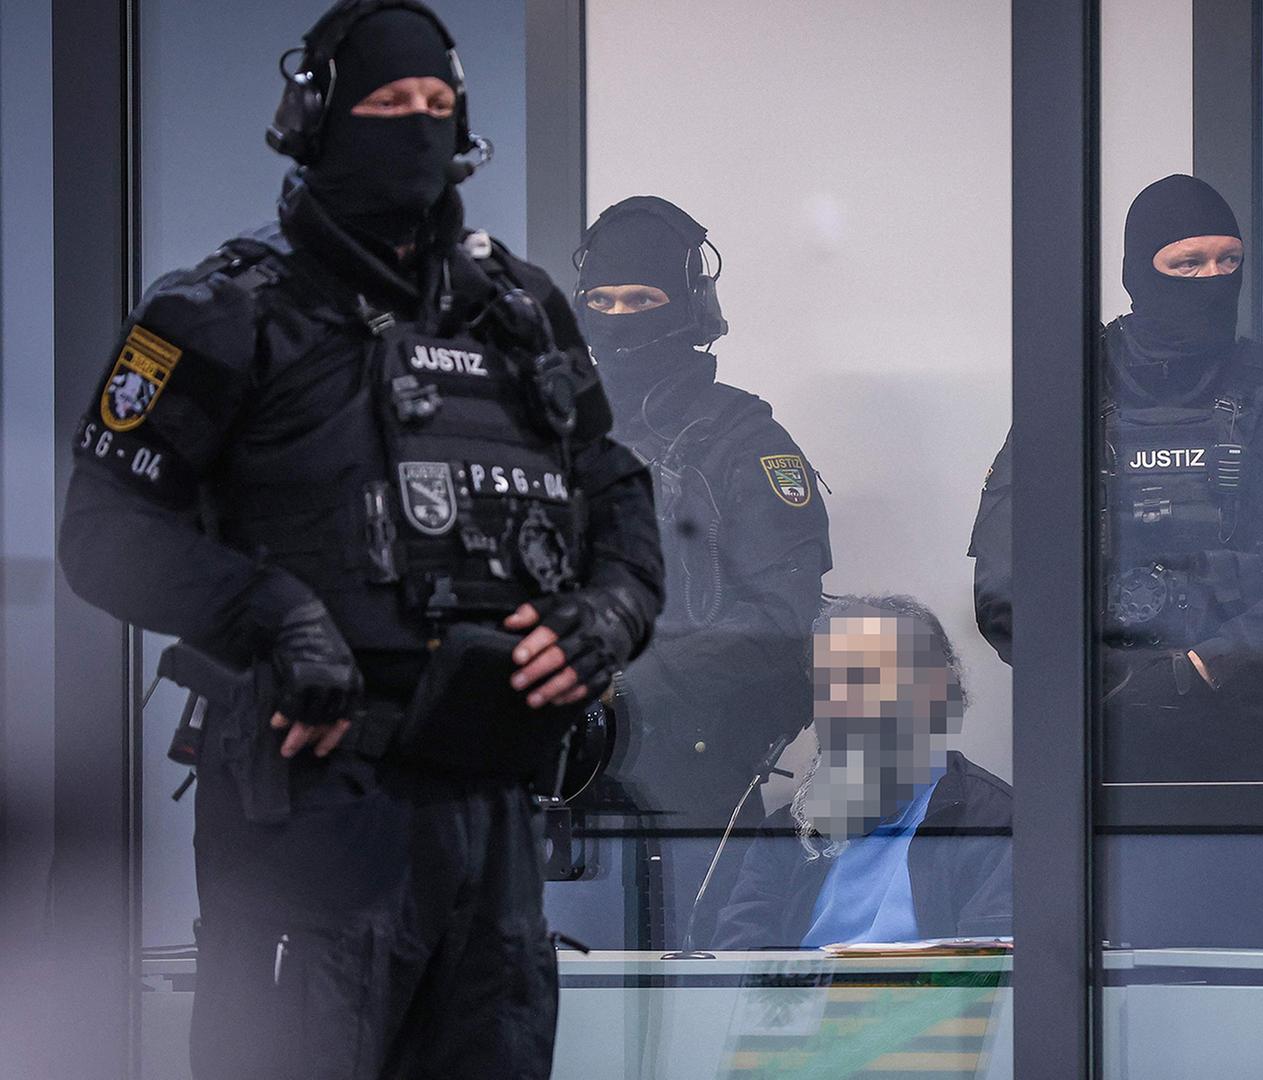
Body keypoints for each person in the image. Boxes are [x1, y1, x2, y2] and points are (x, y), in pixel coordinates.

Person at [57, 3, 663, 1077]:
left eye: (438, 106)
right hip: (312, 802)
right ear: (316, 120)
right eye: (388, 105)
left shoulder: (519, 314)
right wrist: (273, 615)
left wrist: (607, 616)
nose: (417, 129)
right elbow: (102, 535)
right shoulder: (219, 312)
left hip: (493, 801)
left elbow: (618, 497)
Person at [969, 174, 1263, 948]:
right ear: (1135, 270)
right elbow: (1006, 590)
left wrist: (1204, 664)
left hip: (1253, 745)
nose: (1213, 281)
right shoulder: (1067, 395)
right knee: (1098, 984)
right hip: (1102, 738)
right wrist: (1111, 675)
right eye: (1187, 264)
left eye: (1229, 262)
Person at [571, 196, 832, 947]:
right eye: (604, 301)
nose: (621, 318)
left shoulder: (744, 442)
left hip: (691, 769)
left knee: (688, 978)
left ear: (689, 305)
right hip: (553, 766)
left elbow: (781, 622)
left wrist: (636, 681)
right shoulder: (548, 433)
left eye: (643, 299)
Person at [712, 595, 1012, 949]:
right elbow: (737, 963)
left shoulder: (992, 820)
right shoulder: (787, 834)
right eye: (829, 685)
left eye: (867, 682)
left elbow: (989, 975)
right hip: (803, 1001)